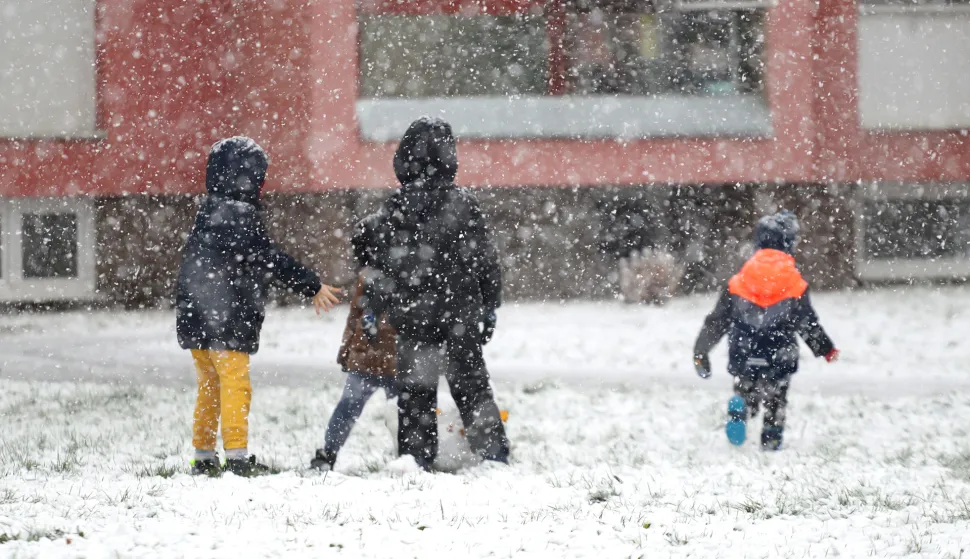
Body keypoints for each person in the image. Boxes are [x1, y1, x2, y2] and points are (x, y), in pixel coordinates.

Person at [176, 136, 341, 477]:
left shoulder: (206, 213)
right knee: (236, 385)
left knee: (209, 388)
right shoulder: (241, 216)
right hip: (226, 318)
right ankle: (236, 457)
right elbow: (269, 259)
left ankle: (204, 456)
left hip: (198, 317)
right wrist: (311, 284)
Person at [365, 117, 509, 470]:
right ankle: (492, 455)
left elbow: (380, 268)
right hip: (458, 312)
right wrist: (489, 306)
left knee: (416, 391)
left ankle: (416, 458)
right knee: (472, 386)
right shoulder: (463, 205)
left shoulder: (394, 208)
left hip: (414, 314)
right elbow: (485, 261)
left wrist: (374, 308)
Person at [692, 211, 839, 450]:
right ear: (790, 243)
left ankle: (743, 405)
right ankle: (771, 437)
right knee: (775, 398)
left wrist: (701, 350)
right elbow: (806, 322)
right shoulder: (793, 282)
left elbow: (717, 320)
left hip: (744, 348)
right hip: (779, 351)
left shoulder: (740, 279)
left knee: (745, 386)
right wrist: (826, 349)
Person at [310, 214, 398, 471]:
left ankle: (328, 454)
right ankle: (412, 456)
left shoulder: (379, 276)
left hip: (373, 358)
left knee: (350, 408)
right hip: (382, 358)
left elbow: (356, 318)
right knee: (398, 412)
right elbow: (356, 316)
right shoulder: (381, 276)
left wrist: (348, 349)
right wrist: (346, 350)